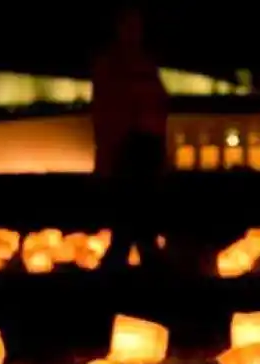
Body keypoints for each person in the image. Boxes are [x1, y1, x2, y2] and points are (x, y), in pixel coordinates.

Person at [91, 4, 168, 270]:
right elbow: (107, 112)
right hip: (128, 150)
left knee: (135, 223)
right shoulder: (113, 65)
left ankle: (135, 267)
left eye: (138, 26)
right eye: (130, 25)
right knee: (131, 222)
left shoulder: (142, 64)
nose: (135, 32)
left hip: (144, 149)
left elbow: (156, 108)